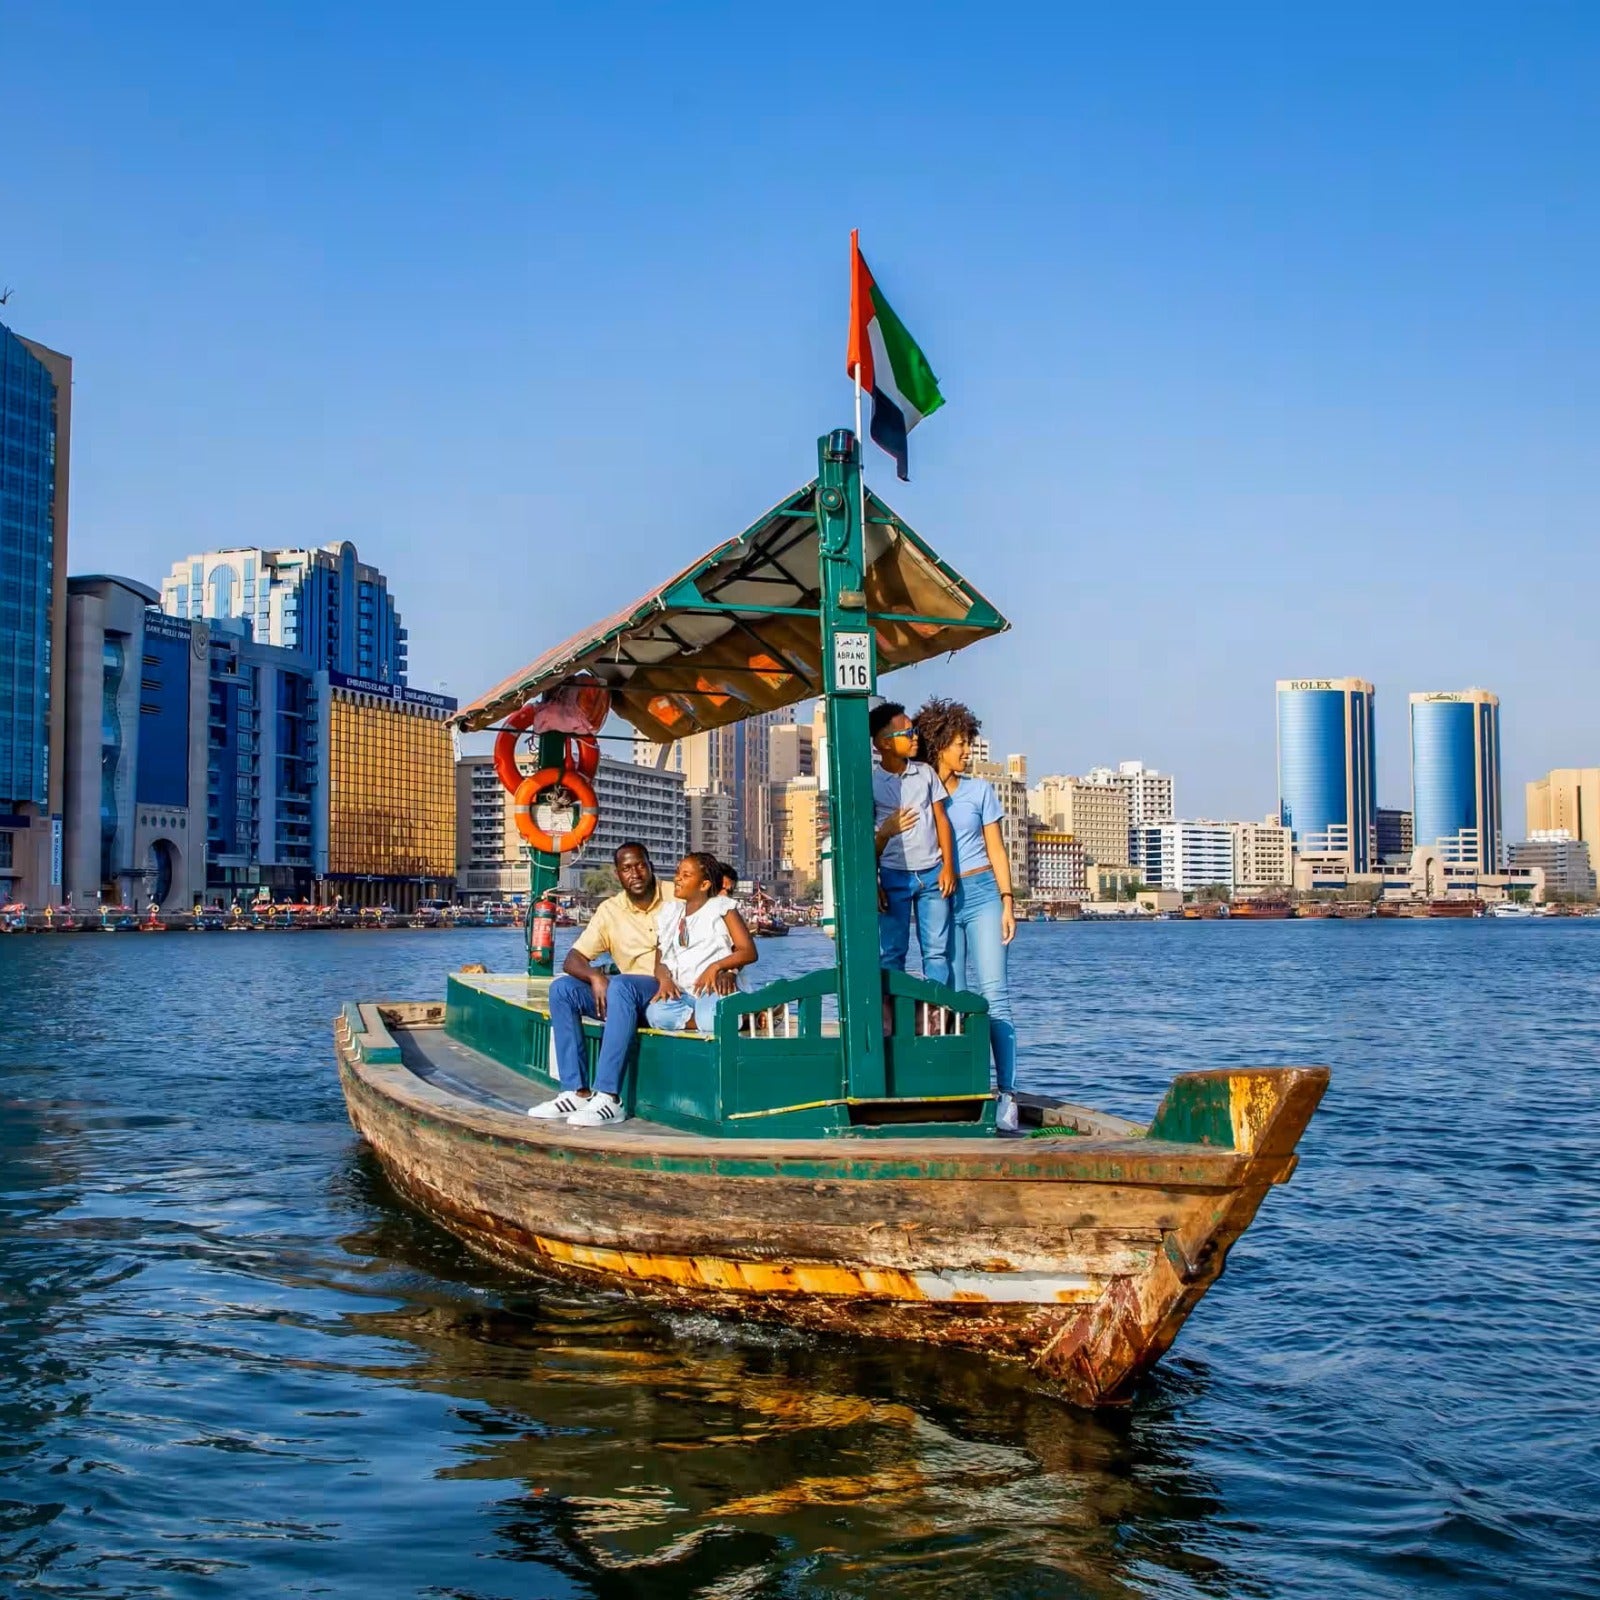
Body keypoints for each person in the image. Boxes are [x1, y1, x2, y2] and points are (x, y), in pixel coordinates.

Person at [913, 697, 1021, 1134]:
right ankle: (962, 1089)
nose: (967, 751)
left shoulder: (980, 791)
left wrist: (1008, 899)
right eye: (960, 743)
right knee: (951, 997)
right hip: (938, 898)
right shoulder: (917, 789)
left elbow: (996, 848)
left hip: (981, 893)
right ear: (939, 744)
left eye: (968, 743)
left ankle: (1007, 1095)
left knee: (994, 994)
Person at [529, 841, 673, 1129]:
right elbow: (572, 959)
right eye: (626, 868)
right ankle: (576, 1092)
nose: (635, 873)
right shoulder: (611, 909)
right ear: (618, 875)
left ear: (650, 866)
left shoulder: (674, 895)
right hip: (625, 998)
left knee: (621, 985)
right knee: (562, 989)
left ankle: (609, 1097)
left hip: (665, 991)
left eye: (640, 865)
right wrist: (595, 977)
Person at [870, 700, 956, 985]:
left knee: (936, 952)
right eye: (907, 733)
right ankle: (893, 1018)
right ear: (883, 743)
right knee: (893, 952)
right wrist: (875, 881)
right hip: (893, 875)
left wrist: (948, 867)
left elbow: (942, 819)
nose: (915, 737)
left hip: (933, 874)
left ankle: (938, 1016)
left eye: (914, 730)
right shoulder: (871, 783)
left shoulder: (925, 773)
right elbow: (867, 843)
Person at [647, 852, 758, 1032]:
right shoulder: (670, 913)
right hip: (683, 993)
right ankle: (720, 1019)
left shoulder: (722, 908)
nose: (677, 879)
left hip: (712, 989)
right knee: (656, 1015)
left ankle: (744, 1013)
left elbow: (748, 951)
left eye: (686, 875)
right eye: (677, 873)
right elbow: (660, 961)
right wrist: (664, 980)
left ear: (704, 884)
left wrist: (715, 967)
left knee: (710, 1016)